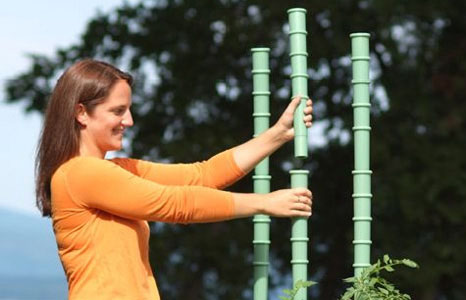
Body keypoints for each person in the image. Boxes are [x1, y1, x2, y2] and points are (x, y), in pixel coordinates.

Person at [34, 59, 314, 298]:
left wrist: (277, 134)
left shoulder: (117, 170)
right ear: (81, 113)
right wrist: (263, 203)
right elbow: (175, 204)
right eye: (118, 111)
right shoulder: (80, 173)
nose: (129, 121)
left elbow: (201, 176)